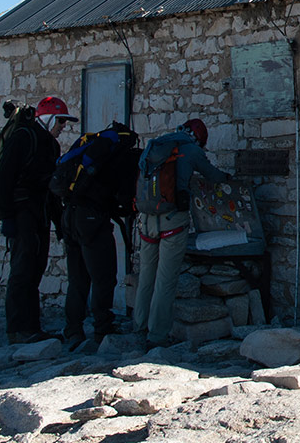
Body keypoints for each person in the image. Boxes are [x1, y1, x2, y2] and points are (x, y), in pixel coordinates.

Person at [133, 118, 230, 346]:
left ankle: (138, 326)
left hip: (146, 219)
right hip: (172, 220)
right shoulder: (191, 150)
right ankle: (156, 336)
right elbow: (212, 175)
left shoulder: (155, 145)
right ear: (199, 137)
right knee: (166, 280)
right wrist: (228, 179)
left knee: (146, 275)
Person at [0, 96, 77, 344]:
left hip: (38, 214)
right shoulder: (23, 138)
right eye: (60, 121)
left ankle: (31, 327)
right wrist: (7, 217)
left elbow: (49, 188)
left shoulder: (50, 146)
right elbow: (5, 180)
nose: (63, 126)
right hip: (21, 214)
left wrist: (59, 222)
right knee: (22, 270)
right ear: (48, 118)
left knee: (35, 268)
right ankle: (17, 329)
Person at [59, 125, 138, 352]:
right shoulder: (120, 157)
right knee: (103, 277)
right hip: (92, 219)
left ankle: (73, 329)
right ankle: (102, 328)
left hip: (70, 214)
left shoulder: (93, 151)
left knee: (77, 278)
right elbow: (123, 197)